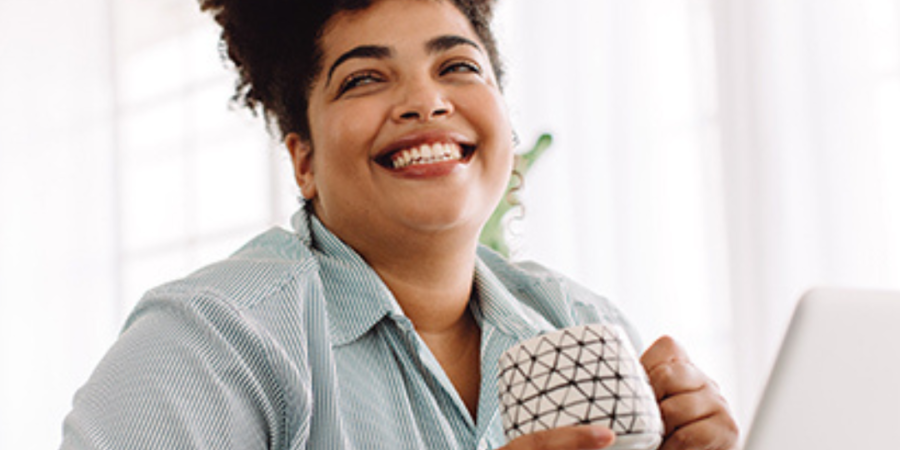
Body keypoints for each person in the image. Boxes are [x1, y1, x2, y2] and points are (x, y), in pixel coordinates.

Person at [60, 0, 739, 448]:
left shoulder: (583, 322)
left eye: (458, 66)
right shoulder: (209, 343)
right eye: (363, 79)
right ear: (304, 160)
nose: (426, 100)